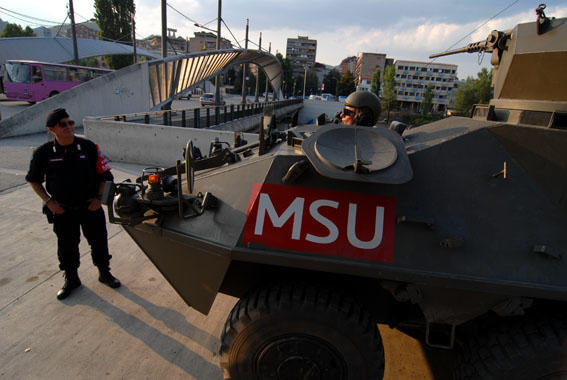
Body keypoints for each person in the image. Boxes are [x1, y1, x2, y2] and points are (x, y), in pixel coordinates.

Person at [26, 108, 121, 300]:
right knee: (67, 247)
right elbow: (34, 180)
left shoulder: (88, 147)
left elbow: (105, 176)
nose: (69, 127)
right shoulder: (43, 153)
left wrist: (98, 199)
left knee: (99, 242)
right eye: (64, 124)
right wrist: (49, 202)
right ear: (53, 129)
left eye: (70, 123)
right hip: (63, 210)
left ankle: (104, 273)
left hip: (90, 207)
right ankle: (71, 279)